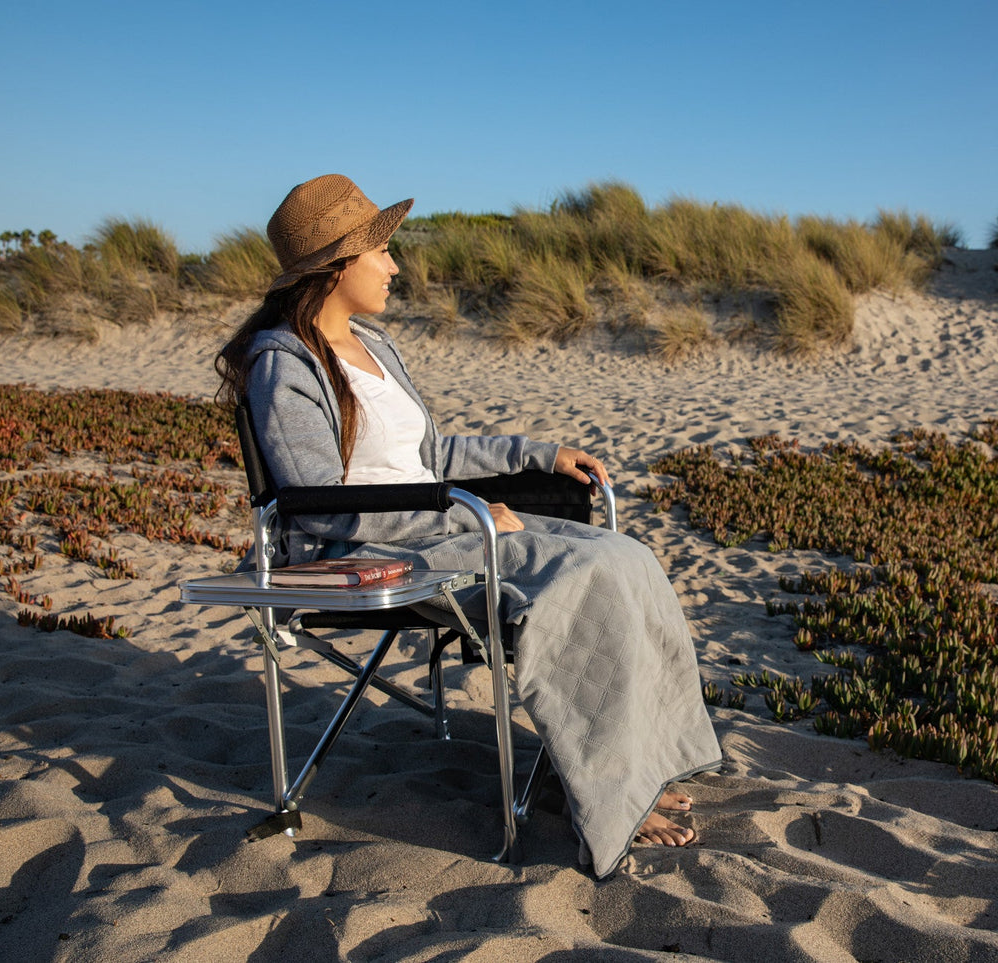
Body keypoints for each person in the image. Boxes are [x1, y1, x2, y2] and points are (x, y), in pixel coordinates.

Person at [216, 174, 721, 878]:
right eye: (380, 251)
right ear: (335, 266)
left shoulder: (373, 345)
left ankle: (639, 767)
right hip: (371, 547)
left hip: (442, 524)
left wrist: (537, 454)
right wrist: (460, 510)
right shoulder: (284, 364)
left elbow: (431, 455)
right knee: (582, 578)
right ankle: (609, 796)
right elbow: (319, 502)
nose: (394, 266)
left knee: (624, 554)